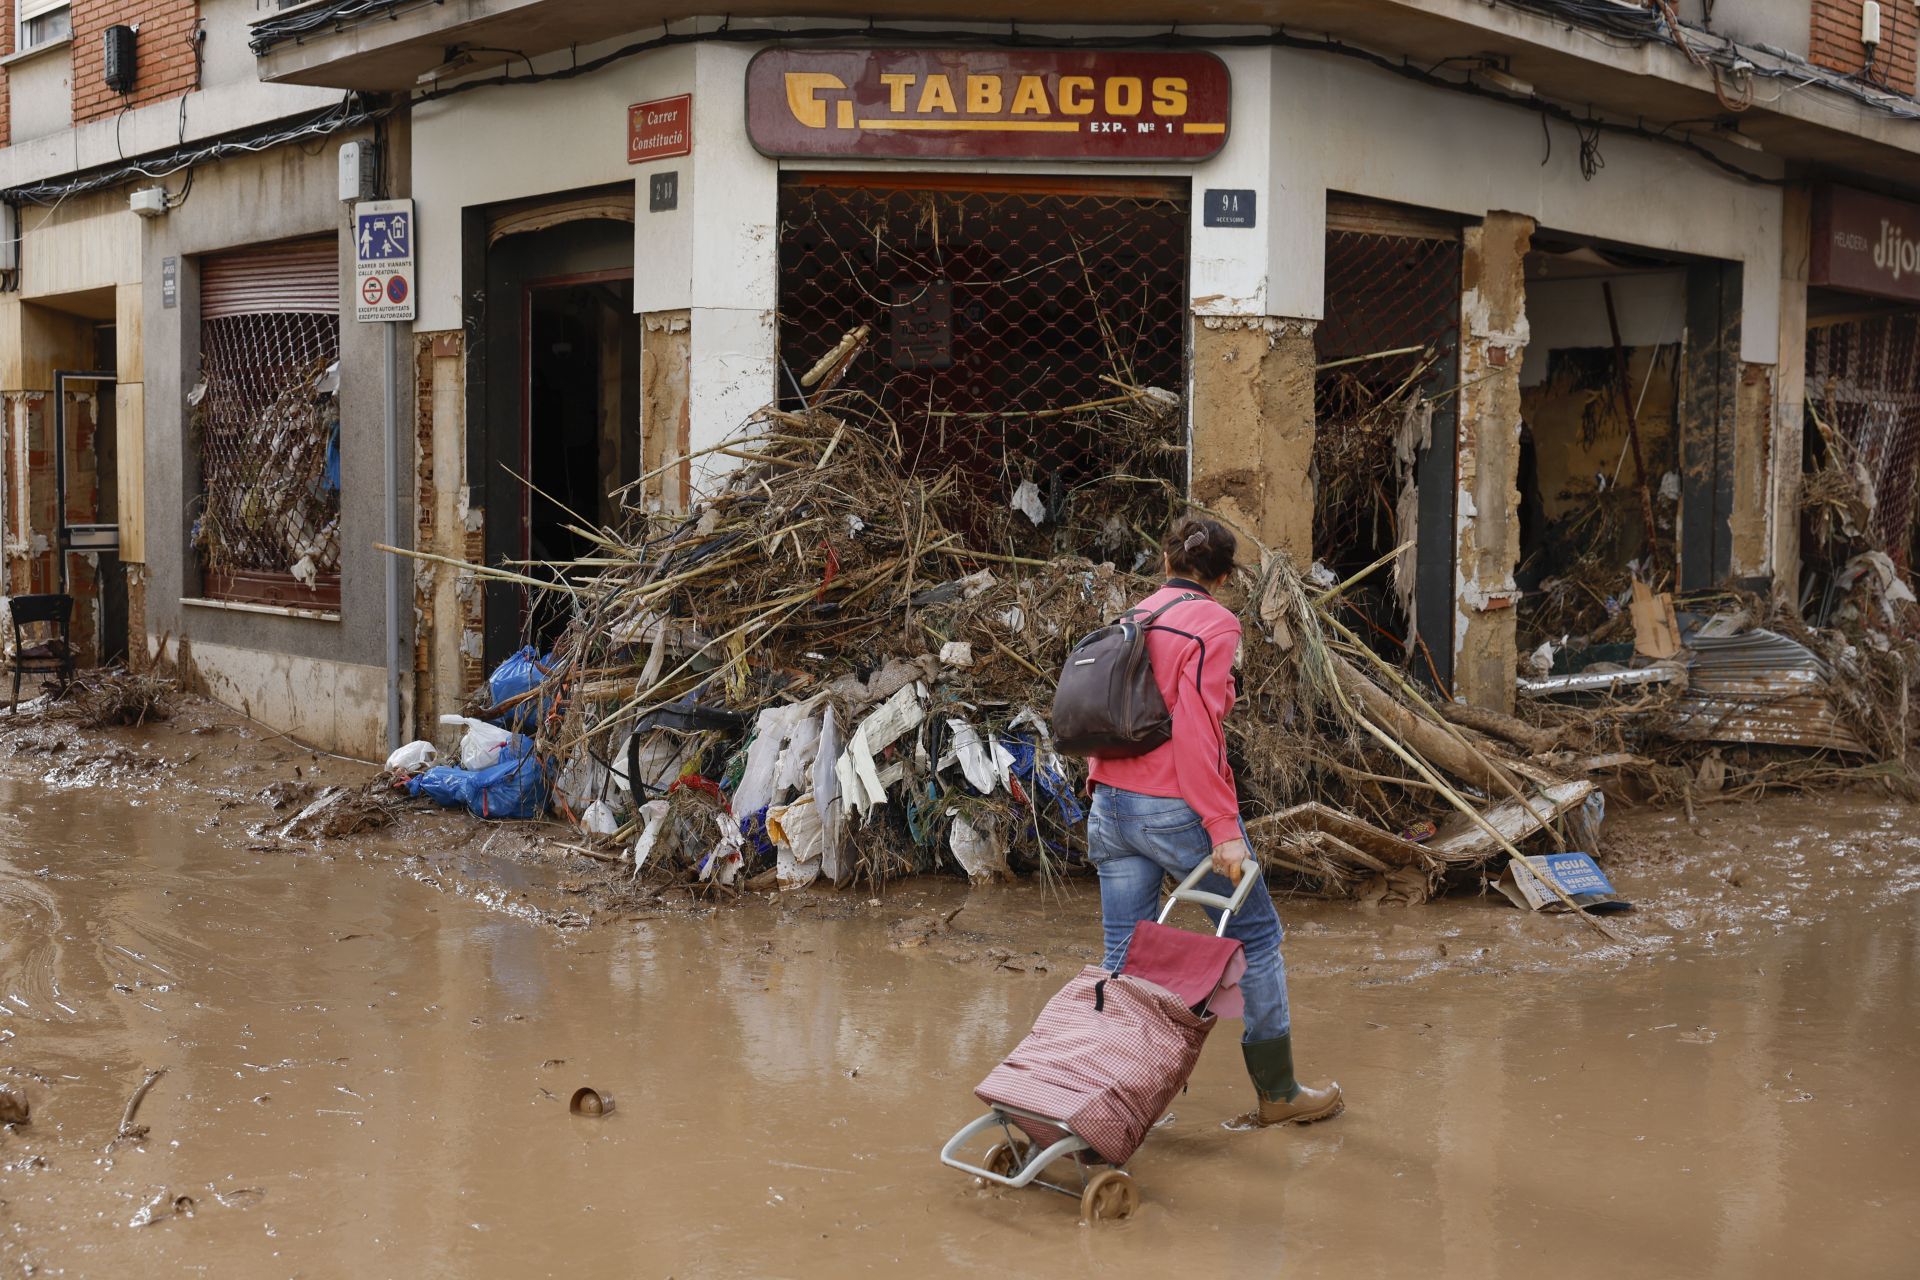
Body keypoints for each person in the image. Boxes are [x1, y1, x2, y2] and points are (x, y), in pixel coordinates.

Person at [1086, 515, 1344, 1130]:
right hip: (1173, 810)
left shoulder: (1134, 617)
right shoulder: (1214, 623)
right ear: (1224, 578)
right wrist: (1223, 826)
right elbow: (1199, 731)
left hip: (1108, 805)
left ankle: (1114, 1096)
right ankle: (1278, 1094)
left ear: (1166, 562)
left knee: (1124, 955)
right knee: (1256, 937)